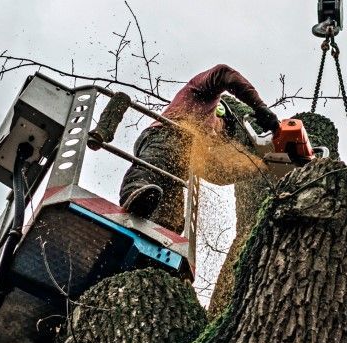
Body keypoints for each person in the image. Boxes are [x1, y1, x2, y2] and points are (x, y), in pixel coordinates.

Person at [119, 64, 280, 232]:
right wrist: (259, 106)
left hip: (178, 169)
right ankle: (135, 193)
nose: (216, 137)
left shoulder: (199, 149)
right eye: (221, 129)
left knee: (170, 222)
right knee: (153, 168)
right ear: (220, 113)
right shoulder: (202, 94)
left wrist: (262, 166)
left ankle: (158, 238)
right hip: (166, 134)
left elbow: (217, 173)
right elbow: (223, 73)